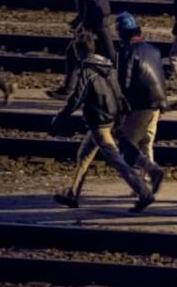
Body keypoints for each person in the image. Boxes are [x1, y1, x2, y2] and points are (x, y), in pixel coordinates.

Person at [52, 31, 154, 212]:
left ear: (78, 52)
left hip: (99, 122)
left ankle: (144, 192)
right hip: (109, 117)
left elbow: (77, 97)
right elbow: (119, 92)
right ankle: (72, 194)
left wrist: (62, 115)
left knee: (116, 160)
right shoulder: (108, 65)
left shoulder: (87, 70)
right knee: (83, 155)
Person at [47, 0, 116, 100]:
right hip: (100, 15)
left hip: (94, 17)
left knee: (77, 52)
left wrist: (84, 22)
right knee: (107, 53)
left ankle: (69, 89)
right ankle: (68, 88)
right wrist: (79, 19)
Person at [115, 12, 166, 191]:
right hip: (158, 103)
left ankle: (151, 173)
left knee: (127, 145)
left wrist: (120, 108)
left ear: (121, 33)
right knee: (146, 142)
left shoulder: (126, 50)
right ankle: (147, 183)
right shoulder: (154, 49)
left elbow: (123, 83)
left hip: (141, 105)